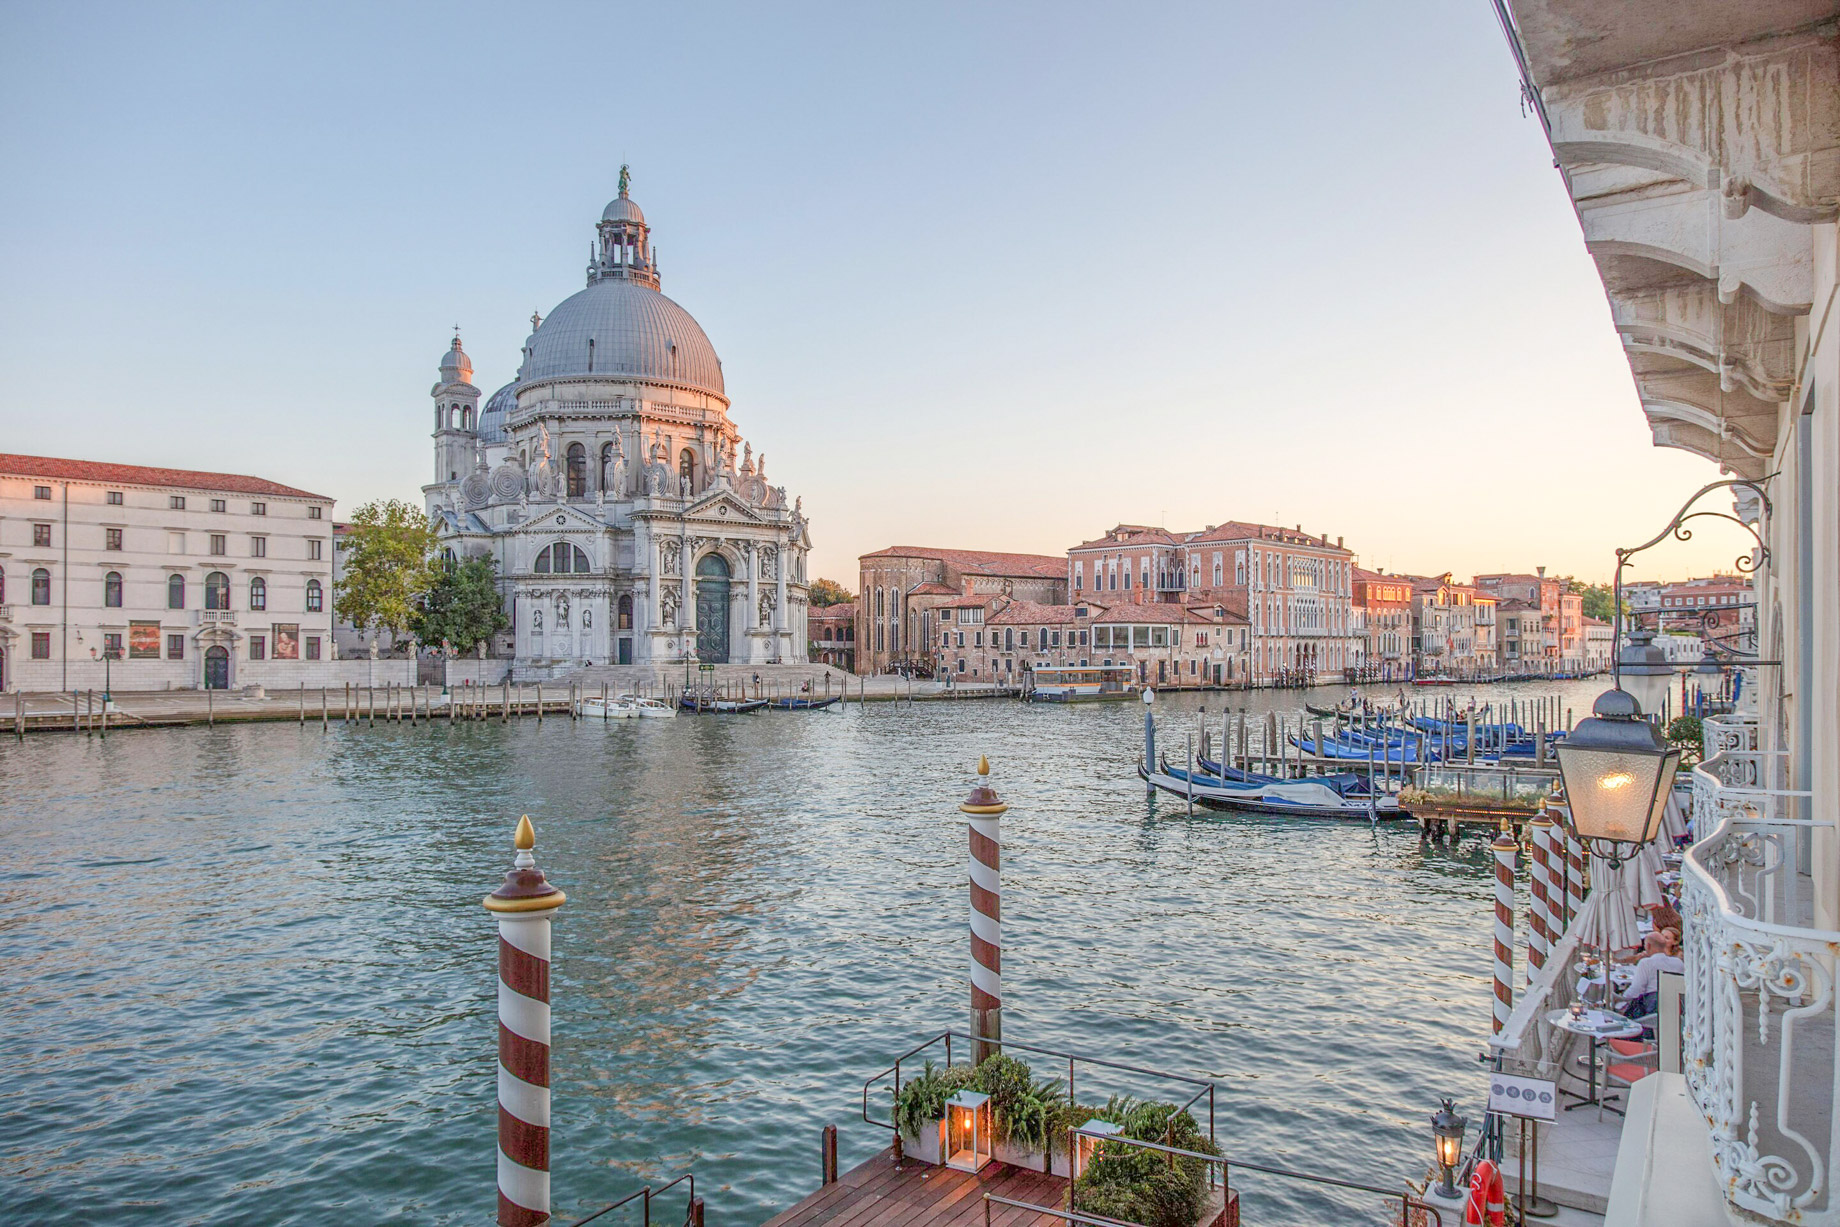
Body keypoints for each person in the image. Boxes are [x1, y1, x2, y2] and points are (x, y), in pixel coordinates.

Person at [1619, 928, 1683, 1021]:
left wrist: (1622, 998)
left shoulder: (1646, 963)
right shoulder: (1678, 963)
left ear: (1648, 946)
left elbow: (1636, 989)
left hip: (1651, 1010)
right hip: (1675, 1008)